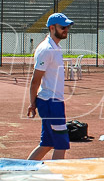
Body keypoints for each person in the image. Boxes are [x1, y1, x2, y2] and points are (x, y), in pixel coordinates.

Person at [27, 12, 74, 160]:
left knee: (47, 143)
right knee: (61, 143)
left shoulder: (54, 47)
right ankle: (57, 178)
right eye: (63, 27)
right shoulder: (47, 49)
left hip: (52, 101)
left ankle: (24, 170)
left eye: (67, 27)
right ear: (52, 28)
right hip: (50, 102)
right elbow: (35, 80)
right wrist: (32, 103)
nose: (66, 29)